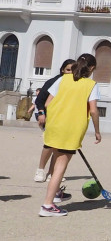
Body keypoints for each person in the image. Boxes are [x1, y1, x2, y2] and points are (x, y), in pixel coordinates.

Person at [38, 53, 101, 216]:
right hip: (71, 128)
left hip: (55, 125)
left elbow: (47, 103)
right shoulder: (91, 84)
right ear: (92, 68)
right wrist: (97, 131)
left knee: (56, 162)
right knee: (60, 166)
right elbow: (93, 110)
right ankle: (47, 205)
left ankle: (55, 195)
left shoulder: (62, 79)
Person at [32, 58, 75, 183]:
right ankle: (40, 170)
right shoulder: (54, 81)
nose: (70, 73)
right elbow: (40, 100)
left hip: (64, 118)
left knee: (59, 146)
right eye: (68, 70)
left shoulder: (74, 83)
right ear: (62, 70)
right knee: (49, 144)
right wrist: (41, 113)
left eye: (73, 70)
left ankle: (52, 173)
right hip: (49, 117)